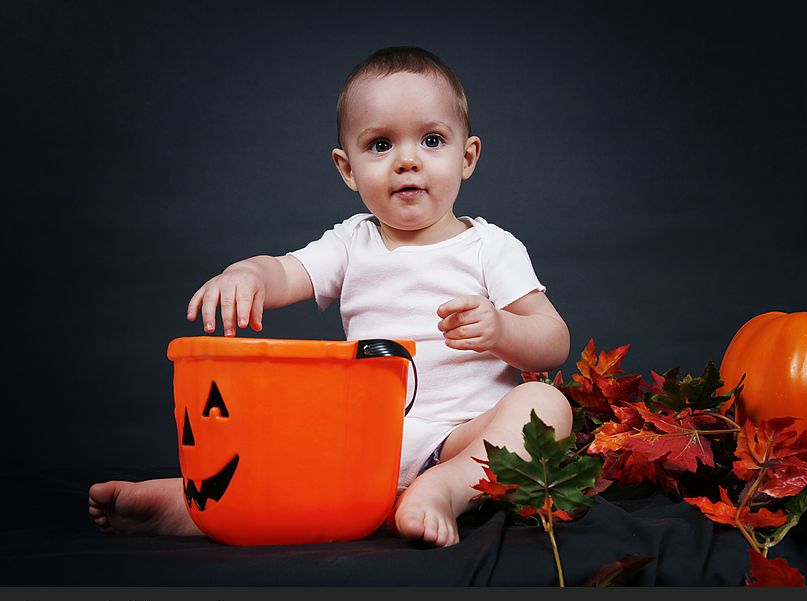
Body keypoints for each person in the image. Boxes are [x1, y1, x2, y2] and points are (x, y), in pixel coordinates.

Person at [89, 46, 572, 547]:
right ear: (347, 169)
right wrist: (248, 273)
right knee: (284, 429)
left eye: (431, 140)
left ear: (466, 156)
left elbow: (553, 340)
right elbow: (285, 271)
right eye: (381, 145)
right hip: (362, 440)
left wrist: (501, 329)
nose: (407, 160)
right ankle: (200, 505)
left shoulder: (490, 247)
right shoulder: (351, 243)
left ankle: (441, 491)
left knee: (544, 406)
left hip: (465, 439)